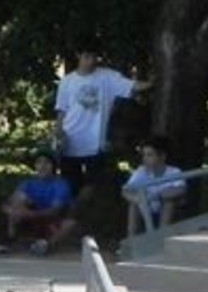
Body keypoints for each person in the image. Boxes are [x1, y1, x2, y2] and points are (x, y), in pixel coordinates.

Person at [55, 42, 151, 198]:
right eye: (87, 56)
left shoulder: (107, 76)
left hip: (95, 145)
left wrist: (154, 82)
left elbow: (133, 86)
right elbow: (61, 110)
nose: (91, 61)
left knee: (92, 189)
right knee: (70, 188)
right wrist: (58, 132)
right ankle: (71, 219)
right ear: (78, 55)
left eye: (94, 56)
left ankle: (81, 217)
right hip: (70, 142)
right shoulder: (67, 81)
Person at [0, 151, 77, 256]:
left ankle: (46, 245)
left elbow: (55, 210)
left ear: (53, 166)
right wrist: (12, 211)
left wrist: (29, 214)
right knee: (19, 201)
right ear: (35, 166)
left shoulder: (61, 185)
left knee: (70, 223)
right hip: (28, 219)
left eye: (47, 163)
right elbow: (8, 204)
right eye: (39, 163)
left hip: (50, 220)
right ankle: (10, 239)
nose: (42, 166)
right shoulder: (28, 184)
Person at [122, 136, 187, 236]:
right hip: (145, 207)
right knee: (133, 206)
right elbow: (126, 190)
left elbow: (181, 189)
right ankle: (132, 241)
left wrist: (160, 195)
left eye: (150, 155)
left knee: (169, 202)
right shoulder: (141, 171)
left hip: (166, 209)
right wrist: (137, 199)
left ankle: (161, 237)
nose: (145, 159)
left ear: (162, 156)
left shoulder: (174, 171)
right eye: (144, 155)